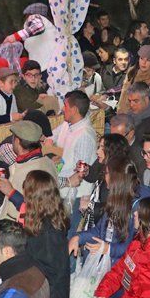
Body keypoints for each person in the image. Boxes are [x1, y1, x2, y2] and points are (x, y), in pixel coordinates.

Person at [69, 156, 150, 298]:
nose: (104, 177)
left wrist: (108, 249)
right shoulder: (115, 200)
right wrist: (78, 238)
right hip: (113, 273)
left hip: (128, 278)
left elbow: (139, 248)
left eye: (106, 173)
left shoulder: (139, 207)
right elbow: (100, 231)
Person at [11, 170, 70, 298]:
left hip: (44, 294)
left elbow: (50, 269)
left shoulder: (49, 231)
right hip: (40, 290)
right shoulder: (45, 218)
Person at [51, 90, 98, 235]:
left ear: (74, 110)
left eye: (65, 106)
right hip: (64, 191)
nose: (63, 109)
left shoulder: (84, 135)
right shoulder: (69, 125)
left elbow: (79, 175)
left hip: (74, 197)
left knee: (68, 238)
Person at [0, 121, 58, 221]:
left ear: (17, 141)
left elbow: (36, 208)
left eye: (13, 137)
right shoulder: (48, 162)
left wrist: (11, 192)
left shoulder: (30, 171)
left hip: (19, 229)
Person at [3, 2, 60, 71]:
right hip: (52, 64)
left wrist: (15, 36)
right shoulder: (49, 26)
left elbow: (38, 26)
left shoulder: (33, 17)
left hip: (48, 66)